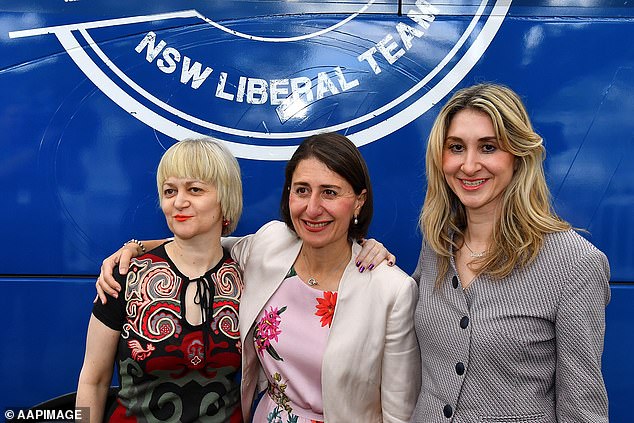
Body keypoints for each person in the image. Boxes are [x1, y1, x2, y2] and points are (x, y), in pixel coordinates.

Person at [96, 132, 420, 422]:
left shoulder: (390, 290)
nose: (312, 207)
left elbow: (399, 412)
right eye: (302, 190)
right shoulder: (272, 245)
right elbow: (203, 243)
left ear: (359, 202)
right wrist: (137, 248)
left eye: (330, 193)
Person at [411, 83, 610, 422]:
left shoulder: (576, 264)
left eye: (488, 147)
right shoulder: (436, 244)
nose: (469, 165)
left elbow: (583, 410)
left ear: (518, 156)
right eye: (456, 147)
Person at [77, 138, 245, 422]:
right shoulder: (125, 275)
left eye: (195, 189)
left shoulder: (249, 273)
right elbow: (92, 381)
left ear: (225, 197)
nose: (179, 202)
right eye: (169, 191)